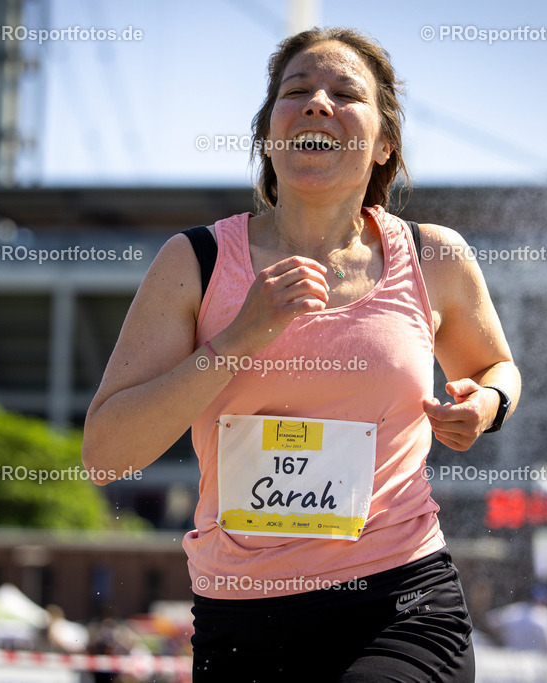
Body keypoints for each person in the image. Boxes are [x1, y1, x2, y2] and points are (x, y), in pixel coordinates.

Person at [83, 26, 520, 682]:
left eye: (346, 93)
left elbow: (496, 368)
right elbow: (105, 455)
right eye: (297, 91)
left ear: (385, 143)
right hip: (243, 614)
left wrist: (486, 404)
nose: (318, 102)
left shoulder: (435, 256)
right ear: (268, 133)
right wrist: (239, 337)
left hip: (400, 598)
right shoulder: (195, 262)